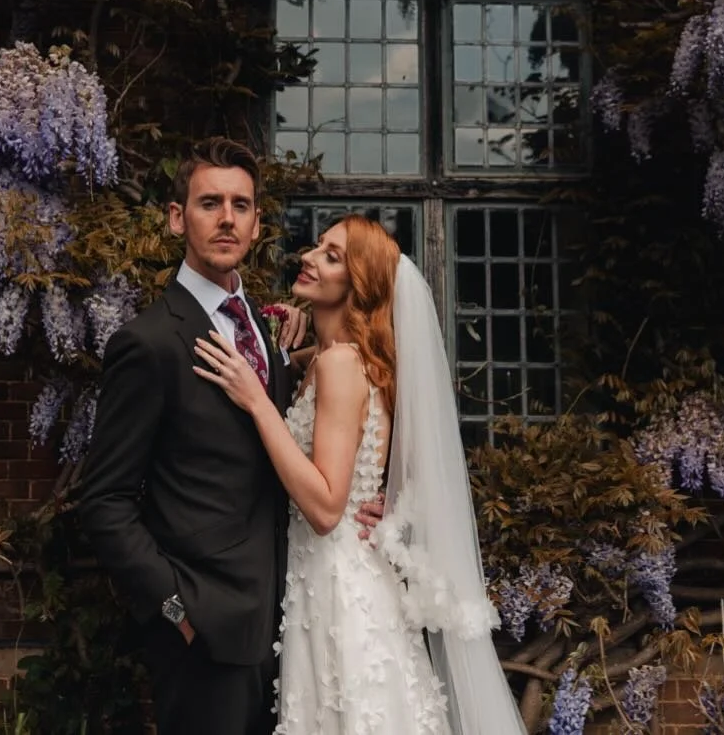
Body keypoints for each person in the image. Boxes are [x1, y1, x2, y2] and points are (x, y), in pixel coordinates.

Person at [194, 214, 527, 735]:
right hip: (328, 582)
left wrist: (257, 402)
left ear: (360, 285)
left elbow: (327, 508)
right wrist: (282, 352)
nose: (308, 256)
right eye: (318, 246)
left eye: (331, 256)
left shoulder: (340, 367)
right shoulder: (333, 361)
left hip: (339, 590)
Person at [74, 139, 318, 735]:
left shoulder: (265, 330)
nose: (227, 217)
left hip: (294, 625)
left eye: (241, 204)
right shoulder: (149, 342)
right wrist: (177, 609)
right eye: (210, 202)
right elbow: (103, 501)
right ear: (178, 217)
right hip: (204, 633)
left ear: (258, 224)